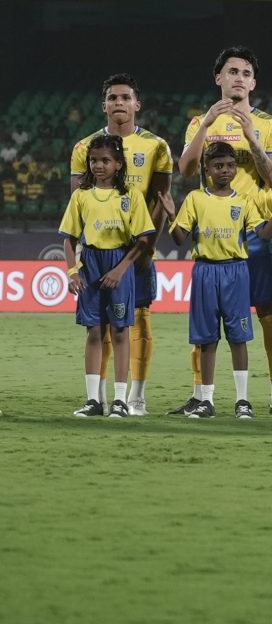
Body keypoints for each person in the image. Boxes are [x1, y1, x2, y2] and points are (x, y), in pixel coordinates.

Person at [178, 46, 272, 416]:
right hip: (215, 236)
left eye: (246, 73)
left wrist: (250, 136)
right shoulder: (200, 122)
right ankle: (201, 395)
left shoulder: (269, 125)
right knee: (207, 320)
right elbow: (185, 171)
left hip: (256, 235)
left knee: (268, 312)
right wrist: (207, 125)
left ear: (254, 83)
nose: (239, 79)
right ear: (219, 78)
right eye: (232, 72)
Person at [161, 143, 272, 420]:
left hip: (236, 272)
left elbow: (264, 234)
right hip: (205, 272)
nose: (225, 170)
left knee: (238, 338)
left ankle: (242, 400)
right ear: (207, 170)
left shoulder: (243, 201)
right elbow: (179, 238)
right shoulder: (196, 199)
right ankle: (206, 400)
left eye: (230, 165)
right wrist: (172, 215)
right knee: (207, 340)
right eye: (218, 166)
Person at [69, 73, 172, 416]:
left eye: (125, 97)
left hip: (135, 249)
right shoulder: (84, 148)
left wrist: (146, 249)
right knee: (98, 326)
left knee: (136, 322)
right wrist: (78, 260)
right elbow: (80, 204)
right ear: (104, 105)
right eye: (113, 97)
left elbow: (161, 200)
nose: (119, 103)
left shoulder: (157, 146)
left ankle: (134, 397)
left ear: (136, 104)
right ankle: (97, 397)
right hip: (98, 252)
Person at [61, 134, 156, 418]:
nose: (98, 165)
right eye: (93, 160)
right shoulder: (81, 196)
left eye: (105, 160)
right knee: (93, 331)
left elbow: (143, 240)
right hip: (90, 264)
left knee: (119, 331)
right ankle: (93, 400)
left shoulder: (130, 196)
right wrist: (72, 271)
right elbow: (69, 239)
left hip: (119, 262)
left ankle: (119, 401)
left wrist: (120, 269)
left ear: (118, 164)